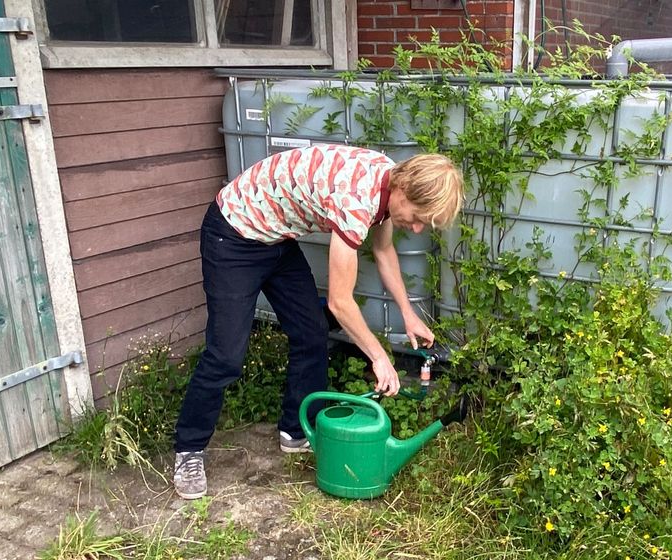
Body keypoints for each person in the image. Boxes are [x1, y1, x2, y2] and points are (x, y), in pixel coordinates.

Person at [172, 144, 464, 500]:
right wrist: (379, 357)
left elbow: (383, 250)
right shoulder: (356, 198)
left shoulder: (389, 179)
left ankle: (296, 432)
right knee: (226, 355)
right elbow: (341, 302)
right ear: (403, 189)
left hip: (277, 238)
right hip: (234, 234)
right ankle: (188, 449)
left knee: (311, 332)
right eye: (418, 217)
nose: (417, 229)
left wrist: (408, 313)